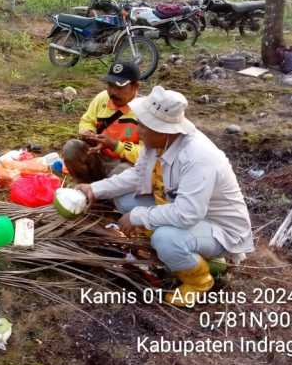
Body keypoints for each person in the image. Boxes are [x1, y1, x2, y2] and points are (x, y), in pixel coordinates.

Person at [76, 86, 254, 307]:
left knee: (165, 238)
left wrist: (139, 216)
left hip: (217, 226)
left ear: (163, 130)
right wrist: (95, 189)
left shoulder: (198, 157)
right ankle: (178, 252)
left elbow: (187, 214)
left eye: (143, 125)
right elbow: (136, 175)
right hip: (182, 209)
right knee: (125, 200)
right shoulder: (156, 144)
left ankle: (199, 279)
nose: (138, 130)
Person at [62, 61, 141, 184]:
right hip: (98, 157)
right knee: (72, 148)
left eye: (119, 87)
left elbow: (147, 155)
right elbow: (87, 120)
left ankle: (105, 199)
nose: (113, 92)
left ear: (135, 86)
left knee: (122, 172)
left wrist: (116, 145)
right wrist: (88, 132)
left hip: (123, 163)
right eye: (110, 85)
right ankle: (84, 187)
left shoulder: (145, 112)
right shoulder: (102, 98)